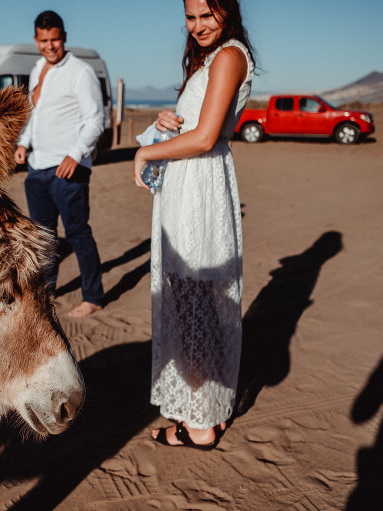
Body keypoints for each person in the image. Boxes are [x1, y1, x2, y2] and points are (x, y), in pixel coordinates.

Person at [133, 0, 255, 449]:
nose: (198, 25)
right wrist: (167, 123)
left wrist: (145, 152)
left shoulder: (227, 55)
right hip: (195, 182)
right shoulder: (212, 56)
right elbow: (204, 126)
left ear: (228, 11)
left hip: (199, 187)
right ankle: (208, 410)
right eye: (190, 16)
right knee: (194, 297)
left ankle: (200, 426)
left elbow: (206, 138)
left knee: (193, 296)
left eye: (208, 14)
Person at [15, 10, 105, 318]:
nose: (50, 46)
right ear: (36, 40)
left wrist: (75, 153)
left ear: (64, 37)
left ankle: (93, 296)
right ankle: (46, 290)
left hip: (68, 169)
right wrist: (23, 143)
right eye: (44, 40)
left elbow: (96, 119)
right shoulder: (37, 68)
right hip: (37, 168)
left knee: (78, 233)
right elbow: (34, 115)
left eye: (55, 39)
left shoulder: (80, 72)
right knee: (43, 236)